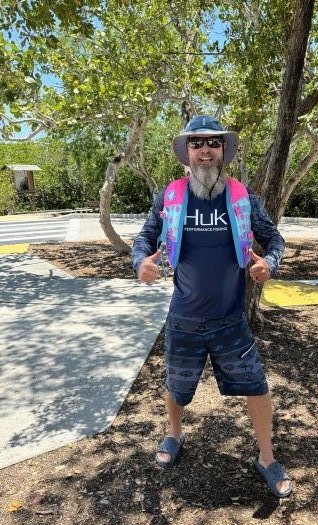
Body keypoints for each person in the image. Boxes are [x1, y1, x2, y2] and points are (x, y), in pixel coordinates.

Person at [132, 115, 292, 498]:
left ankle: (267, 458)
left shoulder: (242, 196)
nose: (205, 151)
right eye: (197, 144)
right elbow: (145, 237)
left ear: (223, 152)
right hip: (183, 318)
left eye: (213, 144)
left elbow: (274, 239)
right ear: (187, 152)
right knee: (175, 385)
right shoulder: (169, 197)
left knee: (257, 385)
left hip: (230, 319)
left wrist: (267, 264)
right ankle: (174, 435)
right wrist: (141, 262)